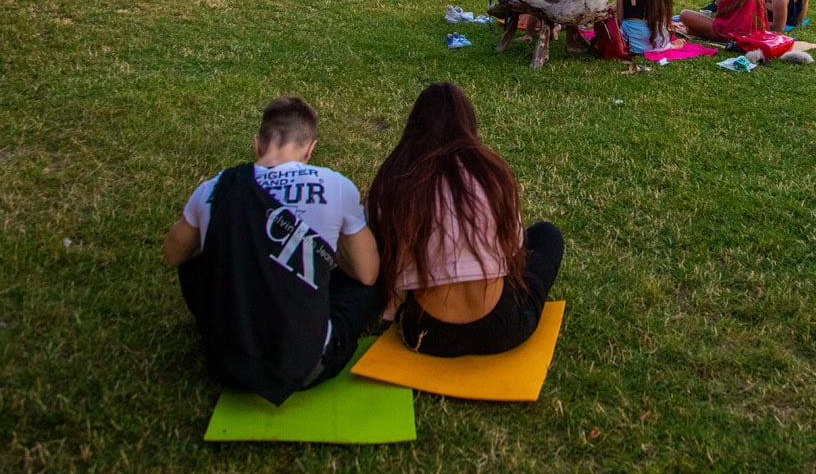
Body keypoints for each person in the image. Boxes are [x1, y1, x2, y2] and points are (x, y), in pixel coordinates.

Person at [163, 96, 380, 402]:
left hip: (228, 362)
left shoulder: (215, 189)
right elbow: (368, 274)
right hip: (309, 365)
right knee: (368, 286)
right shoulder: (335, 186)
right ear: (310, 149)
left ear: (257, 144)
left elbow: (174, 254)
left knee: (197, 253)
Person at [365, 83, 563, 357]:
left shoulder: (395, 181)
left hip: (425, 334)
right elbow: (513, 248)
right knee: (546, 236)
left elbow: (382, 257)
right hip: (502, 328)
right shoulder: (491, 174)